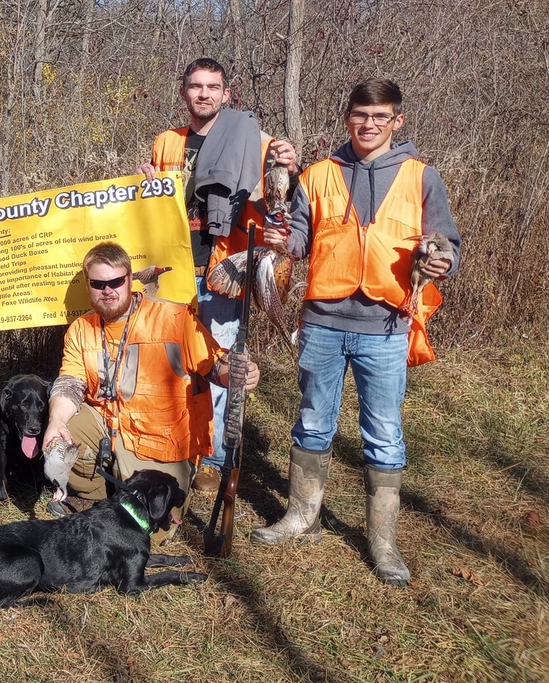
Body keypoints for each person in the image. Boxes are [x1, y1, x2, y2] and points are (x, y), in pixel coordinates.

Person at [250, 79, 460, 586]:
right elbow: (300, 236)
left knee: (383, 435)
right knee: (312, 423)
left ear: (397, 121)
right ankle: (302, 516)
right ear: (348, 117)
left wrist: (441, 258)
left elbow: (448, 243)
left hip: (385, 327)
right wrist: (282, 238)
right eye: (360, 115)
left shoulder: (421, 176)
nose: (369, 124)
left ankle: (382, 541)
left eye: (380, 116)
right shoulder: (320, 174)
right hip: (322, 322)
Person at [139, 57, 298, 494]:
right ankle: (171, 445)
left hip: (221, 271)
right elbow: (155, 207)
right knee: (170, 363)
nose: (204, 93)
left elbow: (281, 200)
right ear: (184, 92)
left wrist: (291, 166)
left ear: (227, 95)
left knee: (220, 366)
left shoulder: (255, 140)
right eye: (195, 86)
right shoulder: (166, 143)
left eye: (213, 87)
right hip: (170, 272)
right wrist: (143, 187)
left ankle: (213, 459)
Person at [42, 242, 259, 538]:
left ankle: (131, 493)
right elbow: (70, 383)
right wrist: (56, 422)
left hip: (161, 442)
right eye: (99, 283)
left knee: (150, 532)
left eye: (116, 281)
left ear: (130, 280)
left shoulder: (174, 318)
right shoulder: (81, 329)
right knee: (60, 422)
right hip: (109, 428)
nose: (108, 290)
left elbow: (215, 366)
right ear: (89, 285)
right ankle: (102, 493)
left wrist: (235, 373)